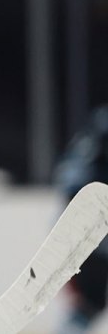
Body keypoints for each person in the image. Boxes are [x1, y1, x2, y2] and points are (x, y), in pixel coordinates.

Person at [55, 106, 108, 334]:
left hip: (82, 226)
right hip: (89, 225)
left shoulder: (96, 127)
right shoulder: (100, 129)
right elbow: (72, 182)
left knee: (88, 305)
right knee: (87, 304)